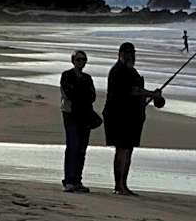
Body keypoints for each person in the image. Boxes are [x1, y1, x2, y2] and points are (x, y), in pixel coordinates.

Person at [103, 42, 162, 196]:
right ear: (120, 54)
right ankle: (118, 186)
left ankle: (124, 185)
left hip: (133, 117)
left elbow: (138, 92)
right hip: (118, 116)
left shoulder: (132, 71)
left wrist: (152, 96)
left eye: (132, 53)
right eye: (127, 53)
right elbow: (133, 90)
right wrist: (152, 94)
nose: (131, 55)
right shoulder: (118, 71)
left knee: (128, 150)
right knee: (122, 149)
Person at [60, 50, 97, 192]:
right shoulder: (66, 75)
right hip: (70, 114)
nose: (81, 62)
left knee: (82, 148)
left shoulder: (87, 78)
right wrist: (82, 96)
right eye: (79, 60)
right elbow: (68, 93)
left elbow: (92, 96)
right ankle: (69, 180)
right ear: (73, 61)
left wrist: (81, 96)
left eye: (84, 60)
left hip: (85, 114)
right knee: (72, 146)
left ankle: (77, 180)